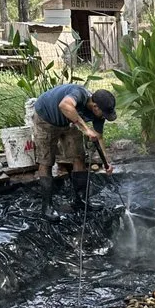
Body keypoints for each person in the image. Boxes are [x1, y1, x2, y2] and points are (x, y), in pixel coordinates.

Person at [32, 84, 116, 220]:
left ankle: (81, 201)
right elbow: (64, 105)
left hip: (71, 122)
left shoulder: (99, 115)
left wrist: (106, 163)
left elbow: (98, 137)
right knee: (46, 161)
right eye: (104, 114)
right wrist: (85, 129)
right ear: (95, 107)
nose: (104, 117)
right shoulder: (79, 94)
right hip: (46, 119)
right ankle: (46, 207)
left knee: (79, 157)